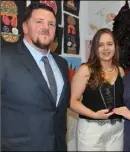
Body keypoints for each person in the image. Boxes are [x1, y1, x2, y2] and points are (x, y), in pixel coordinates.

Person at [1, 3, 70, 151]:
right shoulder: (4, 59)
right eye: (39, 22)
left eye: (51, 24)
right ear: (25, 27)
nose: (46, 27)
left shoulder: (62, 64)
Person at [70, 28, 125, 151]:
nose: (106, 49)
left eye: (109, 44)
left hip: (117, 131)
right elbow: (72, 101)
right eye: (100, 45)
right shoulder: (86, 70)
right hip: (91, 131)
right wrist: (94, 115)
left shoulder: (120, 71)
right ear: (95, 48)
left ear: (115, 47)